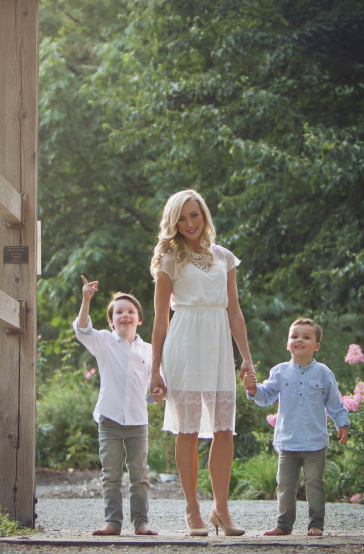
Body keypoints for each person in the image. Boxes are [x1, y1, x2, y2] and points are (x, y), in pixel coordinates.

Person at [148, 189, 255, 537]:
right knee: (189, 429)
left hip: (220, 343)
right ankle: (192, 509)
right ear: (173, 222)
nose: (189, 223)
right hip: (184, 342)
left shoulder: (224, 256)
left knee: (224, 429)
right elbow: (160, 319)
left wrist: (246, 359)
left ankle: (220, 509)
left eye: (194, 215)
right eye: (181, 218)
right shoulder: (169, 257)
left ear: (204, 216)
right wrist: (155, 369)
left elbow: (235, 310)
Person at [243, 317, 350, 537]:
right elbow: (266, 397)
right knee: (284, 485)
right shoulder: (280, 372)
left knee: (314, 483)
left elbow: (334, 402)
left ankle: (316, 523)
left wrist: (342, 424)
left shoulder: (323, 372)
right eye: (294, 336)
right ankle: (284, 525)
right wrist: (253, 389)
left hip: (314, 442)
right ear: (287, 343)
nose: (299, 340)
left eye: (306, 337)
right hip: (287, 441)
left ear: (316, 346)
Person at [73, 275, 159, 537]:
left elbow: (158, 386)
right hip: (109, 419)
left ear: (139, 319)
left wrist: (158, 392)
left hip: (137, 421)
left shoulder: (150, 350)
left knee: (139, 475)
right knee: (110, 474)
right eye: (119, 312)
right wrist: (86, 299)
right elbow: (82, 329)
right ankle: (113, 523)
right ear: (110, 321)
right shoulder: (104, 341)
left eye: (130, 311)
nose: (125, 316)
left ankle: (141, 523)